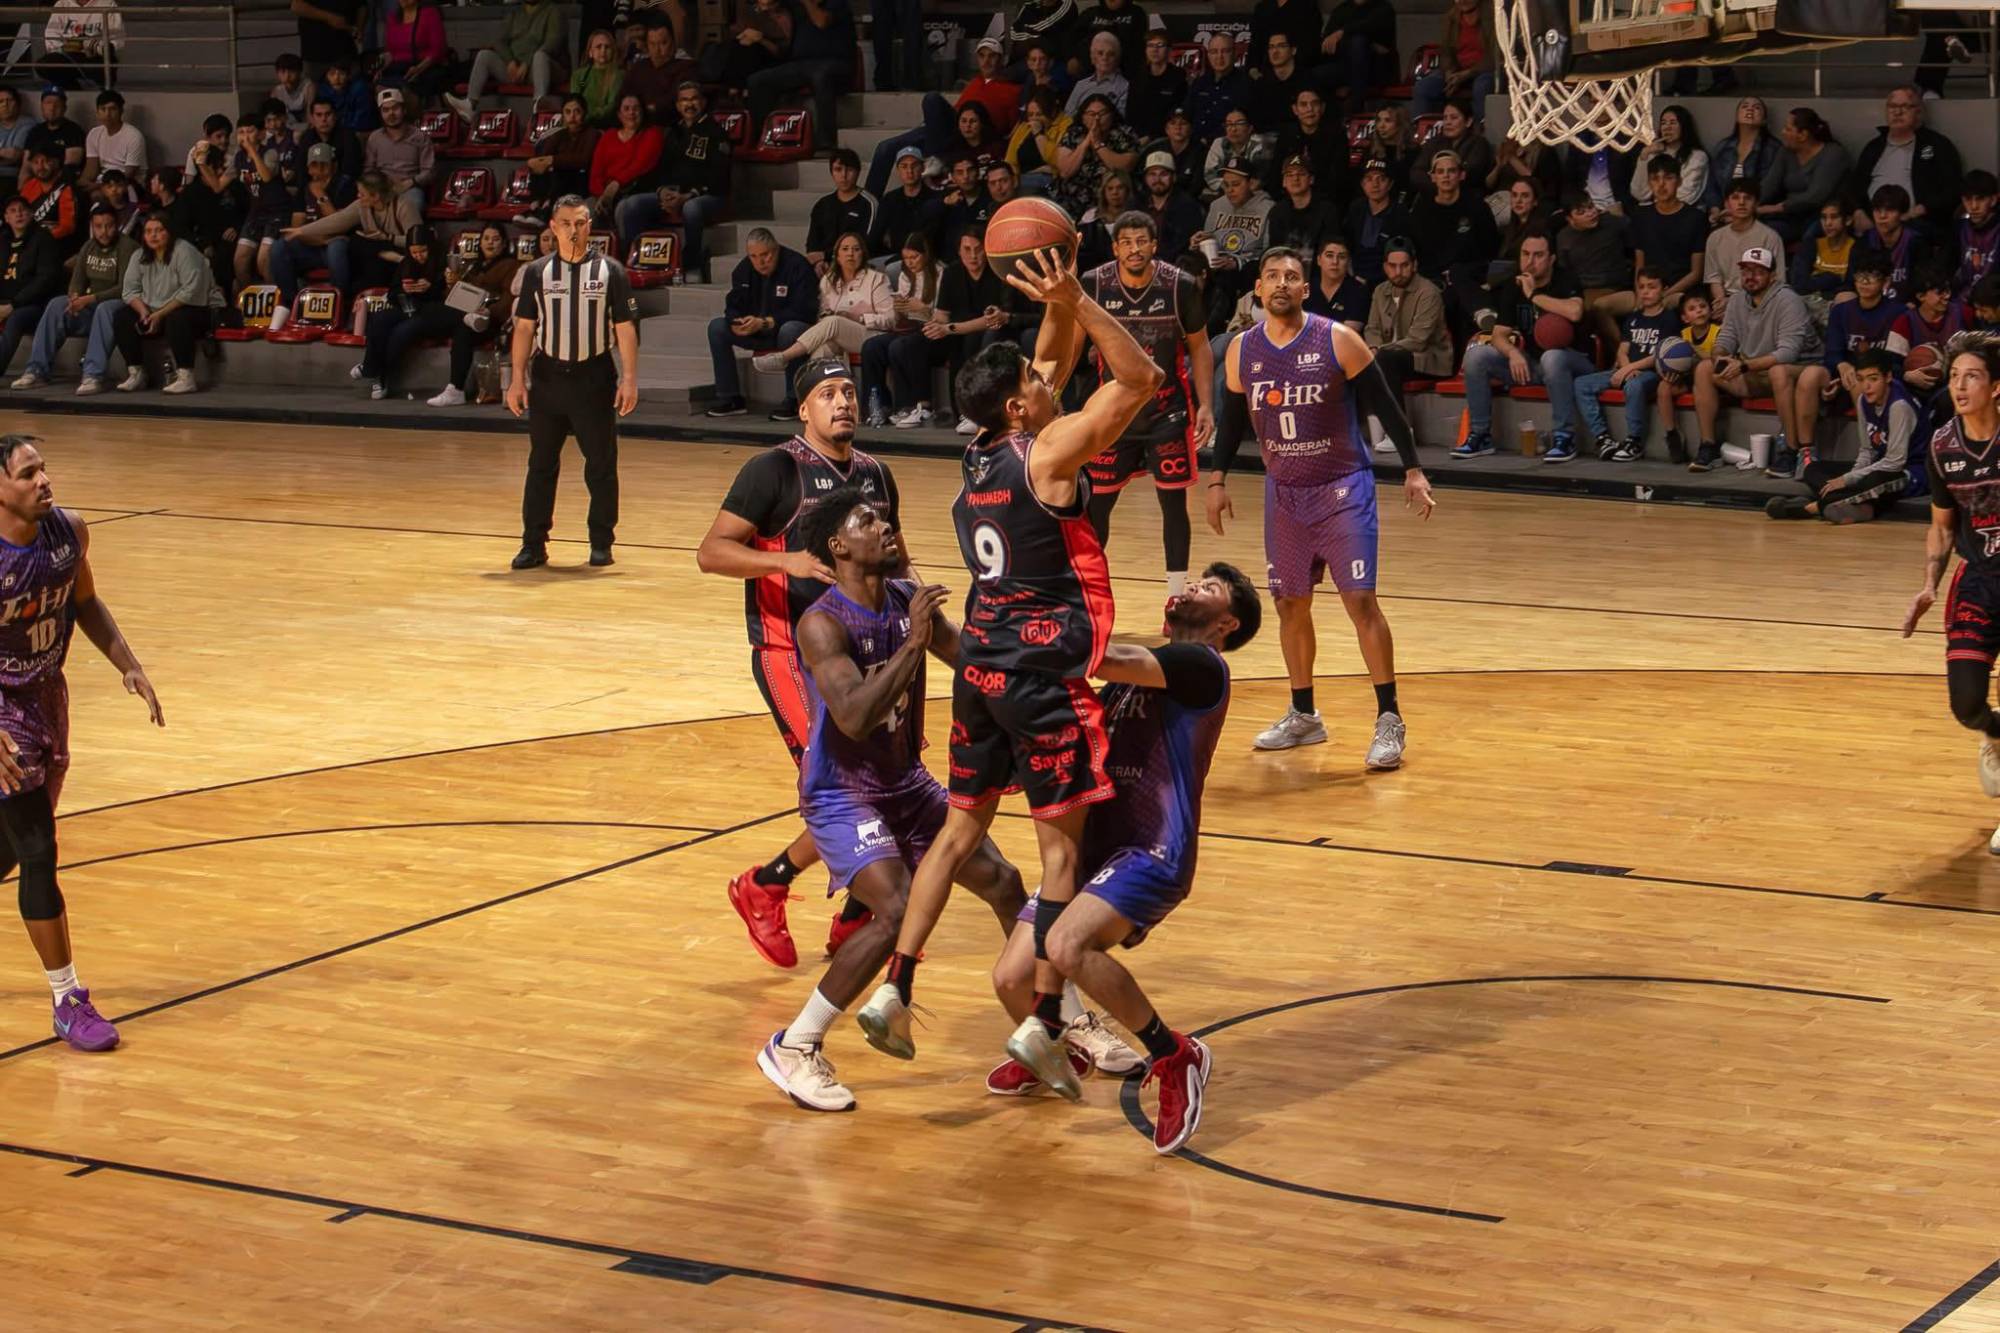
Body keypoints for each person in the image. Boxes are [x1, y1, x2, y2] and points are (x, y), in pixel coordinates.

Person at [854, 247, 1165, 1080]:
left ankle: (896, 987)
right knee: (1063, 857)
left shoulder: (979, 455)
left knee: (959, 833)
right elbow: (1139, 379)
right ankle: (1048, 1017)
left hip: (980, 671)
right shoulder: (1050, 453)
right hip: (1041, 677)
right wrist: (1088, 306)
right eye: (1033, 377)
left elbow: (1051, 362)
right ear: (1020, 403)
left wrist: (1059, 300)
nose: (1044, 375)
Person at [762, 476, 1032, 1110]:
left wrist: (1028, 689)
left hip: (907, 782)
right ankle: (796, 1045)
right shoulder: (821, 624)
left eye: (884, 517)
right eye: (867, 521)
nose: (885, 526)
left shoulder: (907, 598)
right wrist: (914, 641)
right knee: (895, 910)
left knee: (1005, 881)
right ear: (839, 547)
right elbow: (854, 715)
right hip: (841, 793)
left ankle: (1058, 1020)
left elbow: (971, 661)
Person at [987, 563, 1256, 1138]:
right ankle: (1065, 1049)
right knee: (1011, 978)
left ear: (1227, 623)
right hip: (1093, 850)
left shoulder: (1202, 666)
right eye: (1195, 581)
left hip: (1151, 847)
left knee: (1064, 945)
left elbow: (1099, 657)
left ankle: (1174, 1053)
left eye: (1208, 589)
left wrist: (1029, 616)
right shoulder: (1138, 678)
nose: (1190, 589)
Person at [695, 360, 904, 970]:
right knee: (843, 788)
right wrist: (782, 563)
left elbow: (896, 559)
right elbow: (712, 553)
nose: (842, 402)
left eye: (848, 392)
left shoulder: (876, 473)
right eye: (827, 394)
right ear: (803, 410)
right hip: (791, 652)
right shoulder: (774, 469)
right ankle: (796, 892)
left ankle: (798, 893)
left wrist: (919, 614)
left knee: (889, 783)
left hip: (866, 651)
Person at [1205, 245, 1433, 764]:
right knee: (1290, 604)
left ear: (1305, 289)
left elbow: (1387, 408)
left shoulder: (1338, 339)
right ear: (1258, 290)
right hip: (1283, 494)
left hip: (1343, 490)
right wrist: (1217, 479)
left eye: (1291, 276)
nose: (1282, 283)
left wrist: (1414, 470)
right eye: (1272, 277)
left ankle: (1389, 718)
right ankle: (1304, 714)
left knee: (1360, 603)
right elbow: (1233, 420)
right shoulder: (1242, 349)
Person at [0, 434, 161, 1052]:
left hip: (45, 699)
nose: (44, 480)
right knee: (40, 847)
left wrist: (129, 663)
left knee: (10, 852)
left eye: (44, 468)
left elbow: (85, 603)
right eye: (28, 473)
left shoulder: (68, 533)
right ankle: (67, 999)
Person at [1900, 333, 2000, 852]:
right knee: (1966, 704)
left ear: (1996, 387)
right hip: (1978, 580)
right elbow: (1941, 527)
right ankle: (1994, 735)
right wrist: (1928, 583)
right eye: (1955, 376)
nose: (1959, 385)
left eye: (1973, 376)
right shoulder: (1943, 446)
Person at [504, 195, 640, 570]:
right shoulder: (537, 272)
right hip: (548, 378)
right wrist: (516, 380)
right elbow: (525, 328)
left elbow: (625, 330)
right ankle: (533, 544)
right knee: (541, 464)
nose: (574, 230)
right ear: (553, 227)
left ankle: (601, 542)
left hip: (593, 376)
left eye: (580, 223)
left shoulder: (611, 271)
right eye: (566, 223)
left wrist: (629, 379)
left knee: (600, 464)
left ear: (589, 226)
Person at [1080, 211, 1208, 590]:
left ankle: (1175, 596)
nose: (1135, 249)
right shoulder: (1094, 284)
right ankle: (1088, 591)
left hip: (1167, 411)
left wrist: (1207, 406)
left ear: (1154, 245)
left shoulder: (1180, 286)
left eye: (1142, 242)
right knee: (1096, 506)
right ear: (1115, 248)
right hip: (1114, 413)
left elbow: (1200, 349)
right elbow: (1072, 345)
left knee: (1173, 505)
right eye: (1127, 242)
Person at [1450, 231, 1584, 459]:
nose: (1530, 261)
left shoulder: (1565, 279)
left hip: (1573, 361)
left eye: (1538, 255)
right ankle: (1481, 435)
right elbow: (1499, 335)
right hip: (1532, 363)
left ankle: (1565, 436)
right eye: (1525, 254)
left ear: (1551, 259)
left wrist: (1532, 295)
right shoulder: (1514, 285)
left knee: (1552, 357)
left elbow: (1575, 312)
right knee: (1476, 356)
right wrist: (1513, 353)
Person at [1689, 246, 1818, 474]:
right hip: (1755, 371)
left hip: (1799, 371)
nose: (1750, 276)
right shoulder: (1738, 300)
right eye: (1746, 270)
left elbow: (1788, 352)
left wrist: (1745, 365)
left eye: (1758, 271)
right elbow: (1726, 338)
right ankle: (1708, 447)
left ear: (1772, 275)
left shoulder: (1788, 300)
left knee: (1779, 371)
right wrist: (1720, 357)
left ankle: (1790, 450)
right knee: (1704, 369)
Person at [1769, 349, 1914, 524]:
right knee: (1812, 468)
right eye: (1861, 379)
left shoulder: (1899, 406)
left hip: (1907, 471)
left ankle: (1811, 508)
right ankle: (1859, 507)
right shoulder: (1864, 400)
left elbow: (1895, 462)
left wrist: (1847, 480)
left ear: (1888, 377)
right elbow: (1867, 451)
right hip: (1879, 465)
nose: (1866, 386)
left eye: (1873, 379)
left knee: (1874, 480)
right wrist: (1851, 477)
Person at [906, 230, 1032, 431]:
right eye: (967, 249)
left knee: (969, 341)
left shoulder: (997, 271)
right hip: (954, 330)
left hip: (983, 330)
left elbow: (991, 320)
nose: (973, 256)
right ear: (959, 251)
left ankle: (971, 412)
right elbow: (942, 313)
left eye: (978, 250)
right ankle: (923, 407)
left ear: (986, 250)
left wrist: (949, 328)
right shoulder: (952, 272)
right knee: (913, 343)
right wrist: (935, 325)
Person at [12, 200, 133, 393]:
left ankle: (93, 375)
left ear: (117, 225)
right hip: (91, 308)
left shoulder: (127, 247)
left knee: (105, 308)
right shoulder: (88, 247)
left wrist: (90, 299)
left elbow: (126, 289)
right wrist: (74, 298)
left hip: (118, 309)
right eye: (98, 226)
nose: (103, 231)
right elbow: (77, 280)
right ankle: (36, 371)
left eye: (109, 226)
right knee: (57, 304)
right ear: (92, 227)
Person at [612, 82, 726, 281]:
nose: (689, 104)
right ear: (677, 105)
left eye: (693, 99)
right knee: (628, 206)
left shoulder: (716, 132)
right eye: (684, 100)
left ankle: (692, 265)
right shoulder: (673, 132)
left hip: (707, 196)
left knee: (692, 208)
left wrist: (688, 195)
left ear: (703, 102)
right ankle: (637, 260)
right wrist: (662, 190)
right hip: (675, 194)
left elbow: (720, 177)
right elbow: (661, 169)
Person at [271, 170, 419, 315]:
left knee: (357, 244)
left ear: (375, 196)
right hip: (375, 251)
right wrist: (301, 231)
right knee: (360, 242)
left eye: (362, 193)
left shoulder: (404, 206)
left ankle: (342, 306)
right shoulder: (361, 205)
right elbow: (338, 220)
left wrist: (389, 238)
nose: (358, 196)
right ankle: (292, 305)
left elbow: (418, 240)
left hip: (398, 253)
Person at [705, 228, 818, 418]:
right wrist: (735, 321)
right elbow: (733, 302)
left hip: (786, 330)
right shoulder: (744, 269)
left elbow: (805, 310)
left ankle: (794, 399)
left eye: (765, 255)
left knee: (791, 329)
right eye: (754, 256)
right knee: (717, 327)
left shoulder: (797, 265)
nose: (760, 262)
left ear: (776, 249)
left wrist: (767, 322)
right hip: (754, 329)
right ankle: (730, 398)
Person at [1572, 266, 1679, 462]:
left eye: (1652, 287)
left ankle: (1635, 441)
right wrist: (1625, 365)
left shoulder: (1668, 319)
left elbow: (1660, 355)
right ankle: (1603, 438)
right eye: (1641, 287)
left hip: (1651, 372)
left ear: (1664, 289)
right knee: (1581, 384)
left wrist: (1630, 368)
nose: (1646, 292)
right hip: (1628, 369)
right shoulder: (1633, 318)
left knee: (1634, 385)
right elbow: (1623, 349)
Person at [110, 212, 222, 395]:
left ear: (169, 232)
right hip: (154, 312)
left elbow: (190, 292)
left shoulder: (184, 251)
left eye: (159, 230)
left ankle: (186, 376)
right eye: (148, 231)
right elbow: (129, 291)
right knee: (122, 317)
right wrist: (144, 313)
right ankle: (136, 373)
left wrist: (159, 314)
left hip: (197, 309)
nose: (153, 235)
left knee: (177, 318)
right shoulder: (138, 256)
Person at [752, 232, 892, 376]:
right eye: (845, 249)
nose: (850, 254)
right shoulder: (828, 280)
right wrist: (826, 316)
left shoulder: (877, 279)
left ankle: (783, 357)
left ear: (862, 254)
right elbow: (822, 314)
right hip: (837, 336)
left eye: (856, 249)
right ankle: (818, 394)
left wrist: (859, 318)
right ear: (837, 255)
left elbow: (891, 319)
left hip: (871, 336)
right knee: (822, 350)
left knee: (835, 322)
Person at [423, 223, 523, 407]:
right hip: (466, 315)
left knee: (464, 328)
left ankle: (455, 390)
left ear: (503, 244)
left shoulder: (511, 265)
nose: (490, 243)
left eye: (495, 239)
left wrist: (487, 312)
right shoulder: (471, 266)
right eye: (486, 239)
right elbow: (453, 298)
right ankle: (455, 391)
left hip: (490, 321)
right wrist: (452, 284)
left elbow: (509, 300)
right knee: (433, 311)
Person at [746, 0, 854, 154]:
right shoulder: (796, 7)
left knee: (820, 75)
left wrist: (808, 3)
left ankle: (826, 141)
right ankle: (761, 137)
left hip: (834, 62)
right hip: (801, 64)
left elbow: (821, 22)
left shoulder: (835, 3)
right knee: (757, 80)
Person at [1847, 86, 1961, 233]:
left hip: (1916, 222)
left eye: (1905, 107)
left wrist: (1922, 209)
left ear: (1918, 112)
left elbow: (1953, 189)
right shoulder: (1874, 147)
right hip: (1873, 222)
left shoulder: (1933, 145)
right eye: (1892, 106)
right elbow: (1854, 186)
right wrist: (1858, 212)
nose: (1897, 112)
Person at [354, 222, 447, 398]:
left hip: (429, 312)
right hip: (406, 308)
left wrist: (431, 287)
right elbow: (392, 294)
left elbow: (447, 295)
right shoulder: (406, 263)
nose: (418, 256)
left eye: (423, 251)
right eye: (414, 252)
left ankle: (375, 372)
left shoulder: (442, 262)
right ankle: (373, 369)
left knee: (401, 332)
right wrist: (406, 290)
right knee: (379, 319)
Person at [860, 235, 941, 424]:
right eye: (906, 258)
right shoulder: (905, 275)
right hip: (910, 327)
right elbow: (902, 319)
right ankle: (876, 406)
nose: (910, 263)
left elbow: (941, 315)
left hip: (933, 329)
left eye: (914, 257)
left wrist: (921, 308)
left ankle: (910, 405)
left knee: (900, 346)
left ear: (926, 255)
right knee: (872, 347)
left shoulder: (940, 274)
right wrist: (899, 308)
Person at [1364, 239, 1453, 404]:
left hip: (1427, 360)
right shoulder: (1380, 291)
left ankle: (1399, 427)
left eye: (1404, 265)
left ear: (1414, 265)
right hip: (1389, 358)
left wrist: (1379, 351)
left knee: (1385, 361)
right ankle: (1376, 427)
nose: (1398, 271)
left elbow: (1418, 341)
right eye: (1392, 266)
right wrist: (1372, 348)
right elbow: (1372, 329)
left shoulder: (1428, 293)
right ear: (1385, 267)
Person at [448, 0, 566, 121]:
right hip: (516, 70)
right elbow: (499, 41)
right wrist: (510, 61)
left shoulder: (553, 11)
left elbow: (553, 43)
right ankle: (470, 104)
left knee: (540, 56)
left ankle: (540, 106)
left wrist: (527, 63)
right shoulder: (516, 13)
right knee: (484, 55)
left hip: (544, 68)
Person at [1192, 155, 1272, 330]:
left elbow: (1268, 253)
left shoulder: (1267, 208)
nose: (1230, 190)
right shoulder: (1217, 206)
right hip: (1216, 267)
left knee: (1231, 279)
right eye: (1226, 185)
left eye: (1236, 185)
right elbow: (1208, 239)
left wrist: (1236, 262)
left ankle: (1212, 330)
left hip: (1246, 270)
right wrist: (1197, 244)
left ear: (1251, 184)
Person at [1556, 189, 1633, 352]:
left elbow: (1636, 247)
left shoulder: (1613, 223)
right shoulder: (1563, 237)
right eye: (1581, 212)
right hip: (1582, 291)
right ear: (1570, 219)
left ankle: (1624, 355)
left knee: (1595, 307)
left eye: (1591, 207)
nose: (1590, 213)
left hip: (1615, 288)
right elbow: (1564, 271)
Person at [1758, 107, 1848, 244]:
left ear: (1803, 135)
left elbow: (1815, 197)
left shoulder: (1833, 154)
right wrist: (1745, 205)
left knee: (1809, 239)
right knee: (1760, 232)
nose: (1782, 132)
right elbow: (1769, 186)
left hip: (1822, 216)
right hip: (1790, 217)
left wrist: (1770, 209)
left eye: (1788, 129)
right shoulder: (1785, 152)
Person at [0, 194, 63, 377]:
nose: (19, 214)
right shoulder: (2, 240)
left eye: (23, 210)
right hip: (5, 302)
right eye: (13, 211)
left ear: (31, 214)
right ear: (6, 217)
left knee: (16, 319)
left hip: (34, 305)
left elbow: (45, 280)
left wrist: (12, 305)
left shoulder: (43, 239)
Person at [1705, 179, 1785, 321]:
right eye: (1735, 198)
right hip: (1724, 300)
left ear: (1756, 204)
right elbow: (1713, 278)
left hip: (1759, 300)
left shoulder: (1770, 237)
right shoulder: (1715, 238)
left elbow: (1777, 281)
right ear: (1726, 204)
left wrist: (1736, 303)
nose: (1741, 203)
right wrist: (1721, 302)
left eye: (1747, 198)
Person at [1850, 184, 1935, 306]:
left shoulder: (1916, 242)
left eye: (1889, 210)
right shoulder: (1864, 243)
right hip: (1870, 307)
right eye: (1877, 210)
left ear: (1902, 214)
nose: (1882, 216)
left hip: (1906, 308)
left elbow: (1924, 285)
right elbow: (1850, 284)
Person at [1413, 0, 1496, 114]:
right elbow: (1446, 52)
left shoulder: (1493, 17)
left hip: (1482, 70)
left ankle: (1481, 127)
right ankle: (1422, 129)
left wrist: (1468, 73)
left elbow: (1495, 57)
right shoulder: (1450, 18)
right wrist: (1449, 72)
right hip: (1457, 70)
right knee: (1423, 87)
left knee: (1482, 86)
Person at [1318, 0, 1397, 115]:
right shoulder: (1341, 10)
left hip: (1376, 69)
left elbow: (1370, 26)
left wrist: (1342, 33)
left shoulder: (1384, 8)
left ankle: (1356, 107)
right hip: (1346, 66)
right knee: (1316, 75)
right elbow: (1327, 42)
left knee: (1358, 43)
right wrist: (1368, 43)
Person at [364, 87, 435, 215]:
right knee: (359, 207)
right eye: (385, 110)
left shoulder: (420, 137)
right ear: (380, 114)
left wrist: (410, 182)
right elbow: (369, 169)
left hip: (410, 187)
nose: (391, 113)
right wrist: (379, 184)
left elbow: (429, 171)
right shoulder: (375, 138)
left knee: (411, 206)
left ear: (404, 110)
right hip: (382, 188)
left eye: (395, 108)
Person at [803, 149, 875, 273]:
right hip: (825, 263)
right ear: (831, 172)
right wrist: (819, 262)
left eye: (850, 170)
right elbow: (812, 243)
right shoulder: (822, 204)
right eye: (838, 169)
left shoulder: (868, 203)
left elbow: (866, 244)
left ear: (858, 173)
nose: (844, 175)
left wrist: (826, 255)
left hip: (856, 262)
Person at [1705, 96, 1778, 218]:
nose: (1750, 110)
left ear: (1764, 119)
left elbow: (1770, 188)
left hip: (1756, 213)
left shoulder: (1773, 149)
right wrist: (1715, 209)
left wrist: (1739, 210)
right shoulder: (1723, 146)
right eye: (1745, 106)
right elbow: (1712, 185)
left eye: (1756, 108)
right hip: (1723, 212)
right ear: (1736, 116)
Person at [1408, 101, 1492, 202]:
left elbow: (1470, 175)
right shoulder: (1434, 142)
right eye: (1445, 118)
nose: (1447, 122)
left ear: (1468, 121)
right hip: (1434, 197)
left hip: (1467, 199)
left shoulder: (1479, 144)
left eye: (1454, 118)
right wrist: (1440, 189)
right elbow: (1417, 173)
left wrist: (1438, 180)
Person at [1344, 157, 1409, 288]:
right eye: (1369, 179)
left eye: (1381, 179)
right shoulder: (1357, 208)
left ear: (1390, 184)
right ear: (1362, 184)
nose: (1375, 184)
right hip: (1353, 276)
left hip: (1386, 282)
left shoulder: (1400, 213)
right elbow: (1346, 243)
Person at [870, 148, 942, 264]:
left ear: (922, 168)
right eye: (904, 166)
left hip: (926, 257)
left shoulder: (934, 198)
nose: (909, 171)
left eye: (914, 166)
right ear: (898, 170)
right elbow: (877, 233)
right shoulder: (890, 199)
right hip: (895, 255)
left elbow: (933, 236)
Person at [1626, 105, 1707, 209]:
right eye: (1663, 123)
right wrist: (1645, 155)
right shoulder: (1652, 153)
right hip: (1650, 212)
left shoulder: (1697, 157)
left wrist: (1653, 196)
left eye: (1673, 123)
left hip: (1681, 213)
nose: (1667, 127)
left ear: (1684, 127)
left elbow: (1685, 196)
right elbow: (1639, 194)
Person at [620, 21, 696, 124]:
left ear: (673, 43)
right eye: (652, 44)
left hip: (668, 125)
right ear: (647, 45)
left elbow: (675, 100)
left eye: (663, 43)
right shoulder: (639, 67)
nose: (657, 50)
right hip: (633, 123)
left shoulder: (685, 67)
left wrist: (648, 109)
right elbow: (623, 94)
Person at [1264, 153, 1335, 257]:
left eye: (1301, 174)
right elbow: (1275, 251)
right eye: (1289, 175)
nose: (1295, 178)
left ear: (1311, 179)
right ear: (1284, 182)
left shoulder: (1327, 210)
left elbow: (1331, 249)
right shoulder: (1277, 211)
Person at [379, 0, 449, 104]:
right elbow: (391, 52)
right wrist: (380, 67)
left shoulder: (429, 13)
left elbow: (437, 50)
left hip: (424, 66)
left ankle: (411, 116)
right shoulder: (392, 17)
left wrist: (418, 68)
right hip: (398, 68)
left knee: (406, 87)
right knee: (379, 86)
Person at [1186, 31, 1249, 144]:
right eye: (1214, 52)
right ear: (1208, 55)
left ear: (1235, 54)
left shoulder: (1245, 84)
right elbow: (1187, 114)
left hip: (1227, 146)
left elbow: (1243, 124)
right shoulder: (1200, 82)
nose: (1219, 57)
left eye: (1225, 51)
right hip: (1194, 144)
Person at [1124, 30, 1186, 141]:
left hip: (1166, 137)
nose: (1154, 49)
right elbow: (1130, 112)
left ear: (1169, 50)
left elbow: (1178, 113)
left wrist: (1153, 136)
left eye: (1160, 45)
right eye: (1150, 45)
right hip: (1138, 136)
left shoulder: (1178, 77)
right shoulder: (1137, 77)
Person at [80, 89, 142, 196]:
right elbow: (91, 168)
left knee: (96, 195)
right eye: (103, 109)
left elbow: (128, 174)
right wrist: (82, 182)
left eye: (112, 109)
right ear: (97, 112)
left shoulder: (134, 136)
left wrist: (98, 186)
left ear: (121, 111)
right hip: (103, 181)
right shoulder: (94, 133)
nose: (107, 114)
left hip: (127, 184)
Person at [291, 0, 366, 82]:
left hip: (346, 52)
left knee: (355, 89)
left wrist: (359, 27)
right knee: (314, 90)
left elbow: (361, 6)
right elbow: (296, 6)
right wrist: (329, 17)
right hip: (316, 53)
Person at [1954, 170, 2000, 301]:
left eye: (1980, 199)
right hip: (1962, 302)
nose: (1973, 206)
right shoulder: (1959, 227)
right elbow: (1945, 266)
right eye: (1968, 199)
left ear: (1993, 200)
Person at [297, 96, 364, 183]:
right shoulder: (306, 138)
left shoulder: (348, 137)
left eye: (328, 114)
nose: (324, 119)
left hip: (342, 190)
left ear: (335, 116)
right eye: (319, 115)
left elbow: (350, 172)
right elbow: (301, 171)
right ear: (312, 118)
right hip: (313, 188)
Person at [1304, 236, 1366, 328]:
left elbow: (1348, 333)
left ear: (1348, 262)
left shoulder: (1358, 290)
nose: (1335, 262)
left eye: (1342, 257)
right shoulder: (1307, 288)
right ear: (1319, 260)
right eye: (1329, 255)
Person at [1063, 31, 1129, 118]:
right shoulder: (1081, 85)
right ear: (1092, 57)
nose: (1105, 58)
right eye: (1100, 53)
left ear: (1117, 59)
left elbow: (1120, 120)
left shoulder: (1125, 87)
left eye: (1111, 54)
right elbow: (1068, 116)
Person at [23, 87, 82, 178]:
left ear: (64, 108)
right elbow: (26, 167)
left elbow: (70, 168)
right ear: (41, 106)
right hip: (36, 182)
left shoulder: (74, 131)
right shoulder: (35, 131)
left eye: (57, 104)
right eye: (48, 103)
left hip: (62, 182)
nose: (52, 108)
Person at [0, 89, 32, 197]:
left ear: (17, 104)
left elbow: (15, 155)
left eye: (9, 100)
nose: (5, 105)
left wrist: (7, 155)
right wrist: (3, 153)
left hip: (11, 177)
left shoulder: (27, 124)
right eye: (1, 101)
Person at [271, 53, 314, 129]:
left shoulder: (308, 87)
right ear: (277, 73)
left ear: (299, 72)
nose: (287, 75)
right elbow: (273, 116)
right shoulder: (277, 91)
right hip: (285, 128)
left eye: (291, 71)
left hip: (305, 126)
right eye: (283, 71)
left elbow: (310, 114)